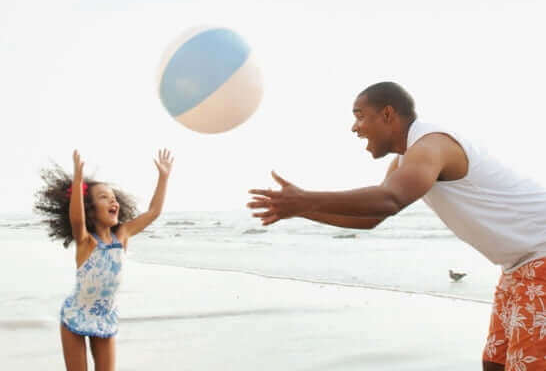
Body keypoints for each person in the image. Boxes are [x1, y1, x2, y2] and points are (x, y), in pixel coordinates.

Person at [247, 82, 546, 371]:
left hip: (541, 259)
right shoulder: (407, 159)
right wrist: (303, 209)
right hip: (518, 267)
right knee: (495, 363)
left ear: (388, 114)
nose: (354, 127)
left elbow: (390, 199)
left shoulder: (432, 145)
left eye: (360, 116)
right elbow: (371, 217)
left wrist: (305, 199)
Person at [34, 149, 174, 371]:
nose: (113, 201)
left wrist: (164, 178)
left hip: (104, 318)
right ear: (91, 210)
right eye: (103, 197)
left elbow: (153, 212)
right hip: (75, 316)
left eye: (114, 198)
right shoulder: (86, 241)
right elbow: (76, 219)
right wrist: (79, 182)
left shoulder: (123, 235)